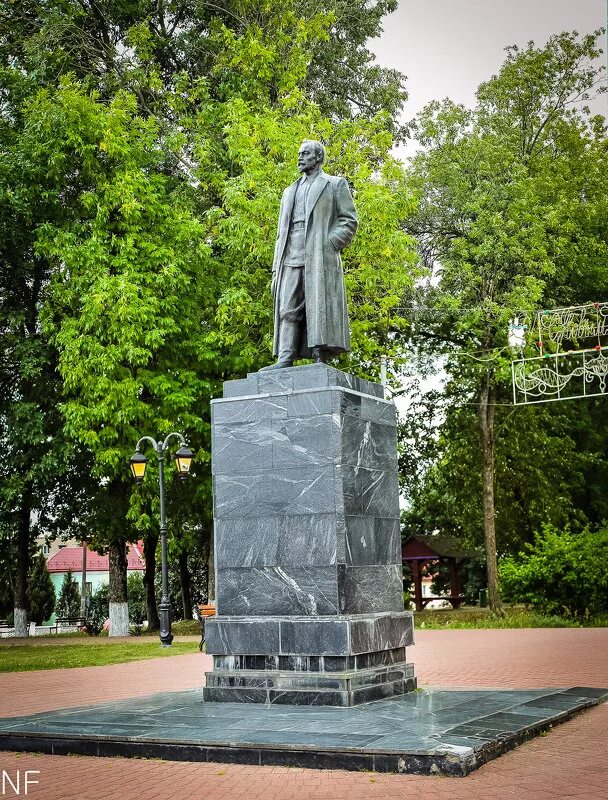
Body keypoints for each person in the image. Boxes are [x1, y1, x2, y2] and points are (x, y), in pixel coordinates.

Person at [264, 140, 358, 370]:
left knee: (318, 307)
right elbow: (280, 234)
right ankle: (285, 357)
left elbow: (349, 220)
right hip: (290, 256)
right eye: (299, 154)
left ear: (318, 157)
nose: (300, 157)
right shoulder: (289, 191)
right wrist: (276, 267)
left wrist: (329, 243)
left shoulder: (334, 184)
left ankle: (320, 355)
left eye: (305, 154)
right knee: (287, 309)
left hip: (319, 255)